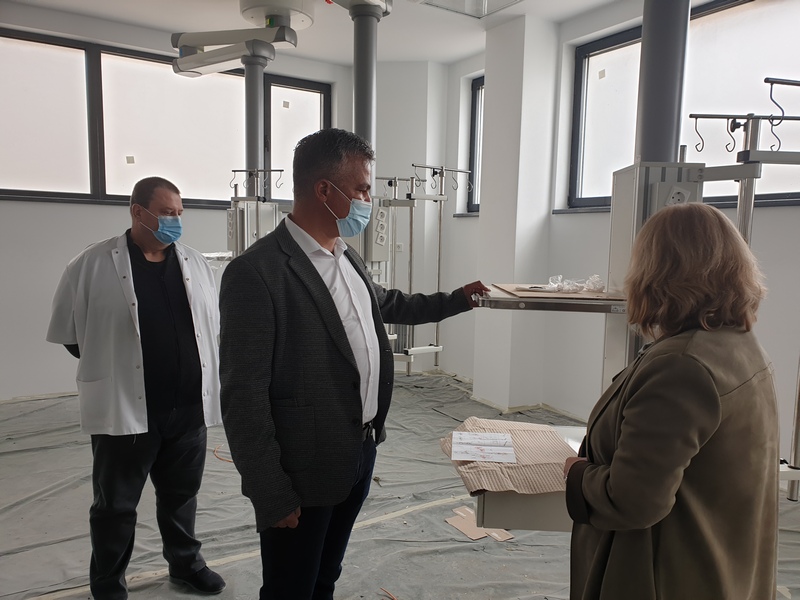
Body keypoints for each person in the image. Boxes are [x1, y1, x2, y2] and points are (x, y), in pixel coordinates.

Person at [219, 128, 490, 600]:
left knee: (326, 574)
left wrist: (459, 299)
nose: (369, 201)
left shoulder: (346, 257)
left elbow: (392, 304)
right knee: (290, 587)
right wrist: (269, 491)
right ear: (325, 190)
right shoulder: (257, 273)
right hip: (301, 469)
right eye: (362, 189)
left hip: (359, 450)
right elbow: (243, 397)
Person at [564, 202, 778, 600]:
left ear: (654, 271)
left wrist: (577, 474)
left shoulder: (681, 366)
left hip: (664, 575)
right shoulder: (739, 345)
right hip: (721, 564)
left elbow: (632, 500)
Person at [46, 177, 226, 599]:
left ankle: (186, 564)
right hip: (126, 410)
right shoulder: (90, 264)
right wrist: (118, 367)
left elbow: (209, 330)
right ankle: (108, 584)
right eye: (165, 213)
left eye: (179, 213)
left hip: (188, 409)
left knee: (181, 496)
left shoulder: (196, 264)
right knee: (115, 505)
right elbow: (72, 337)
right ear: (137, 211)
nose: (174, 221)